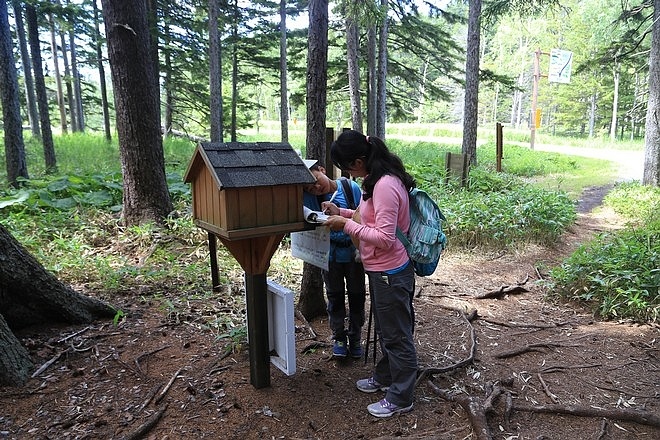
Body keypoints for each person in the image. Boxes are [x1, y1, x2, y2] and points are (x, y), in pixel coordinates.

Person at [321, 130, 417, 418]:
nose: (348, 172)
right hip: (379, 268)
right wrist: (343, 212)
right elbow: (369, 219)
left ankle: (401, 396)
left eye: (349, 166)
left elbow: (385, 237)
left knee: (397, 335)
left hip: (390, 270)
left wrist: (345, 226)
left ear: (360, 160)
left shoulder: (386, 185)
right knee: (389, 330)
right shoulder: (374, 180)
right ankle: (386, 376)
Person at [302, 159, 366, 359]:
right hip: (330, 256)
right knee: (334, 296)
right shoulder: (309, 198)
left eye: (315, 180)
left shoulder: (350, 187)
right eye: (310, 188)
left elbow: (362, 216)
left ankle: (355, 337)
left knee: (357, 296)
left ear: (322, 169)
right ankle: (338, 336)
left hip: (354, 255)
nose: (315, 188)